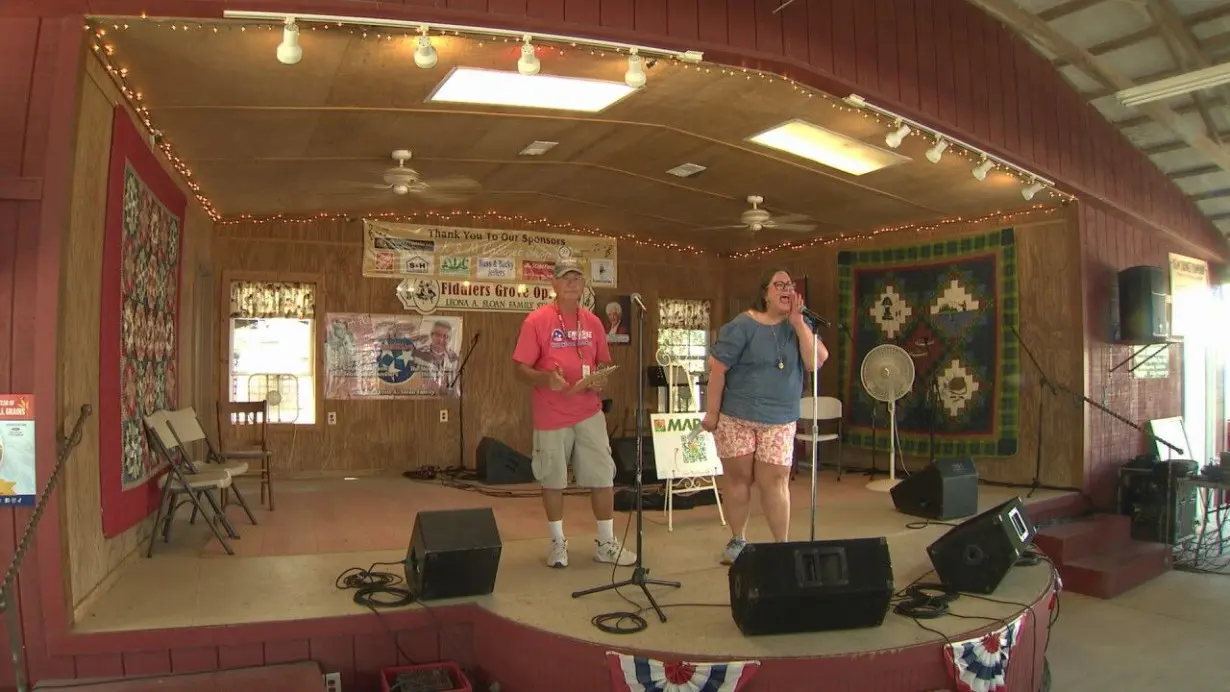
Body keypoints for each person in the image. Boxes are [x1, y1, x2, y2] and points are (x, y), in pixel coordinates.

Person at [512, 258, 635, 569]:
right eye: (565, 278)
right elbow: (520, 369)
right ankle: (557, 543)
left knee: (602, 476)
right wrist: (545, 378)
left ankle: (606, 544)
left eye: (577, 278)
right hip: (551, 413)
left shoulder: (593, 322)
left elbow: (603, 361)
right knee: (553, 479)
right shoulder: (536, 321)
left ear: (583, 284)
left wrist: (603, 375)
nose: (571, 283)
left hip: (589, 410)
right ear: (553, 284)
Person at [702, 268, 828, 565]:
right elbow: (717, 370)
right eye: (779, 284)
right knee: (738, 479)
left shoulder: (801, 323)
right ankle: (738, 540)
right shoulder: (741, 325)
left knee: (776, 481)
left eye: (790, 285)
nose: (786, 289)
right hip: (737, 416)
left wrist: (798, 323)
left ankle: (781, 546)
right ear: (765, 293)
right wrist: (712, 412)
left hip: (780, 418)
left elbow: (814, 362)